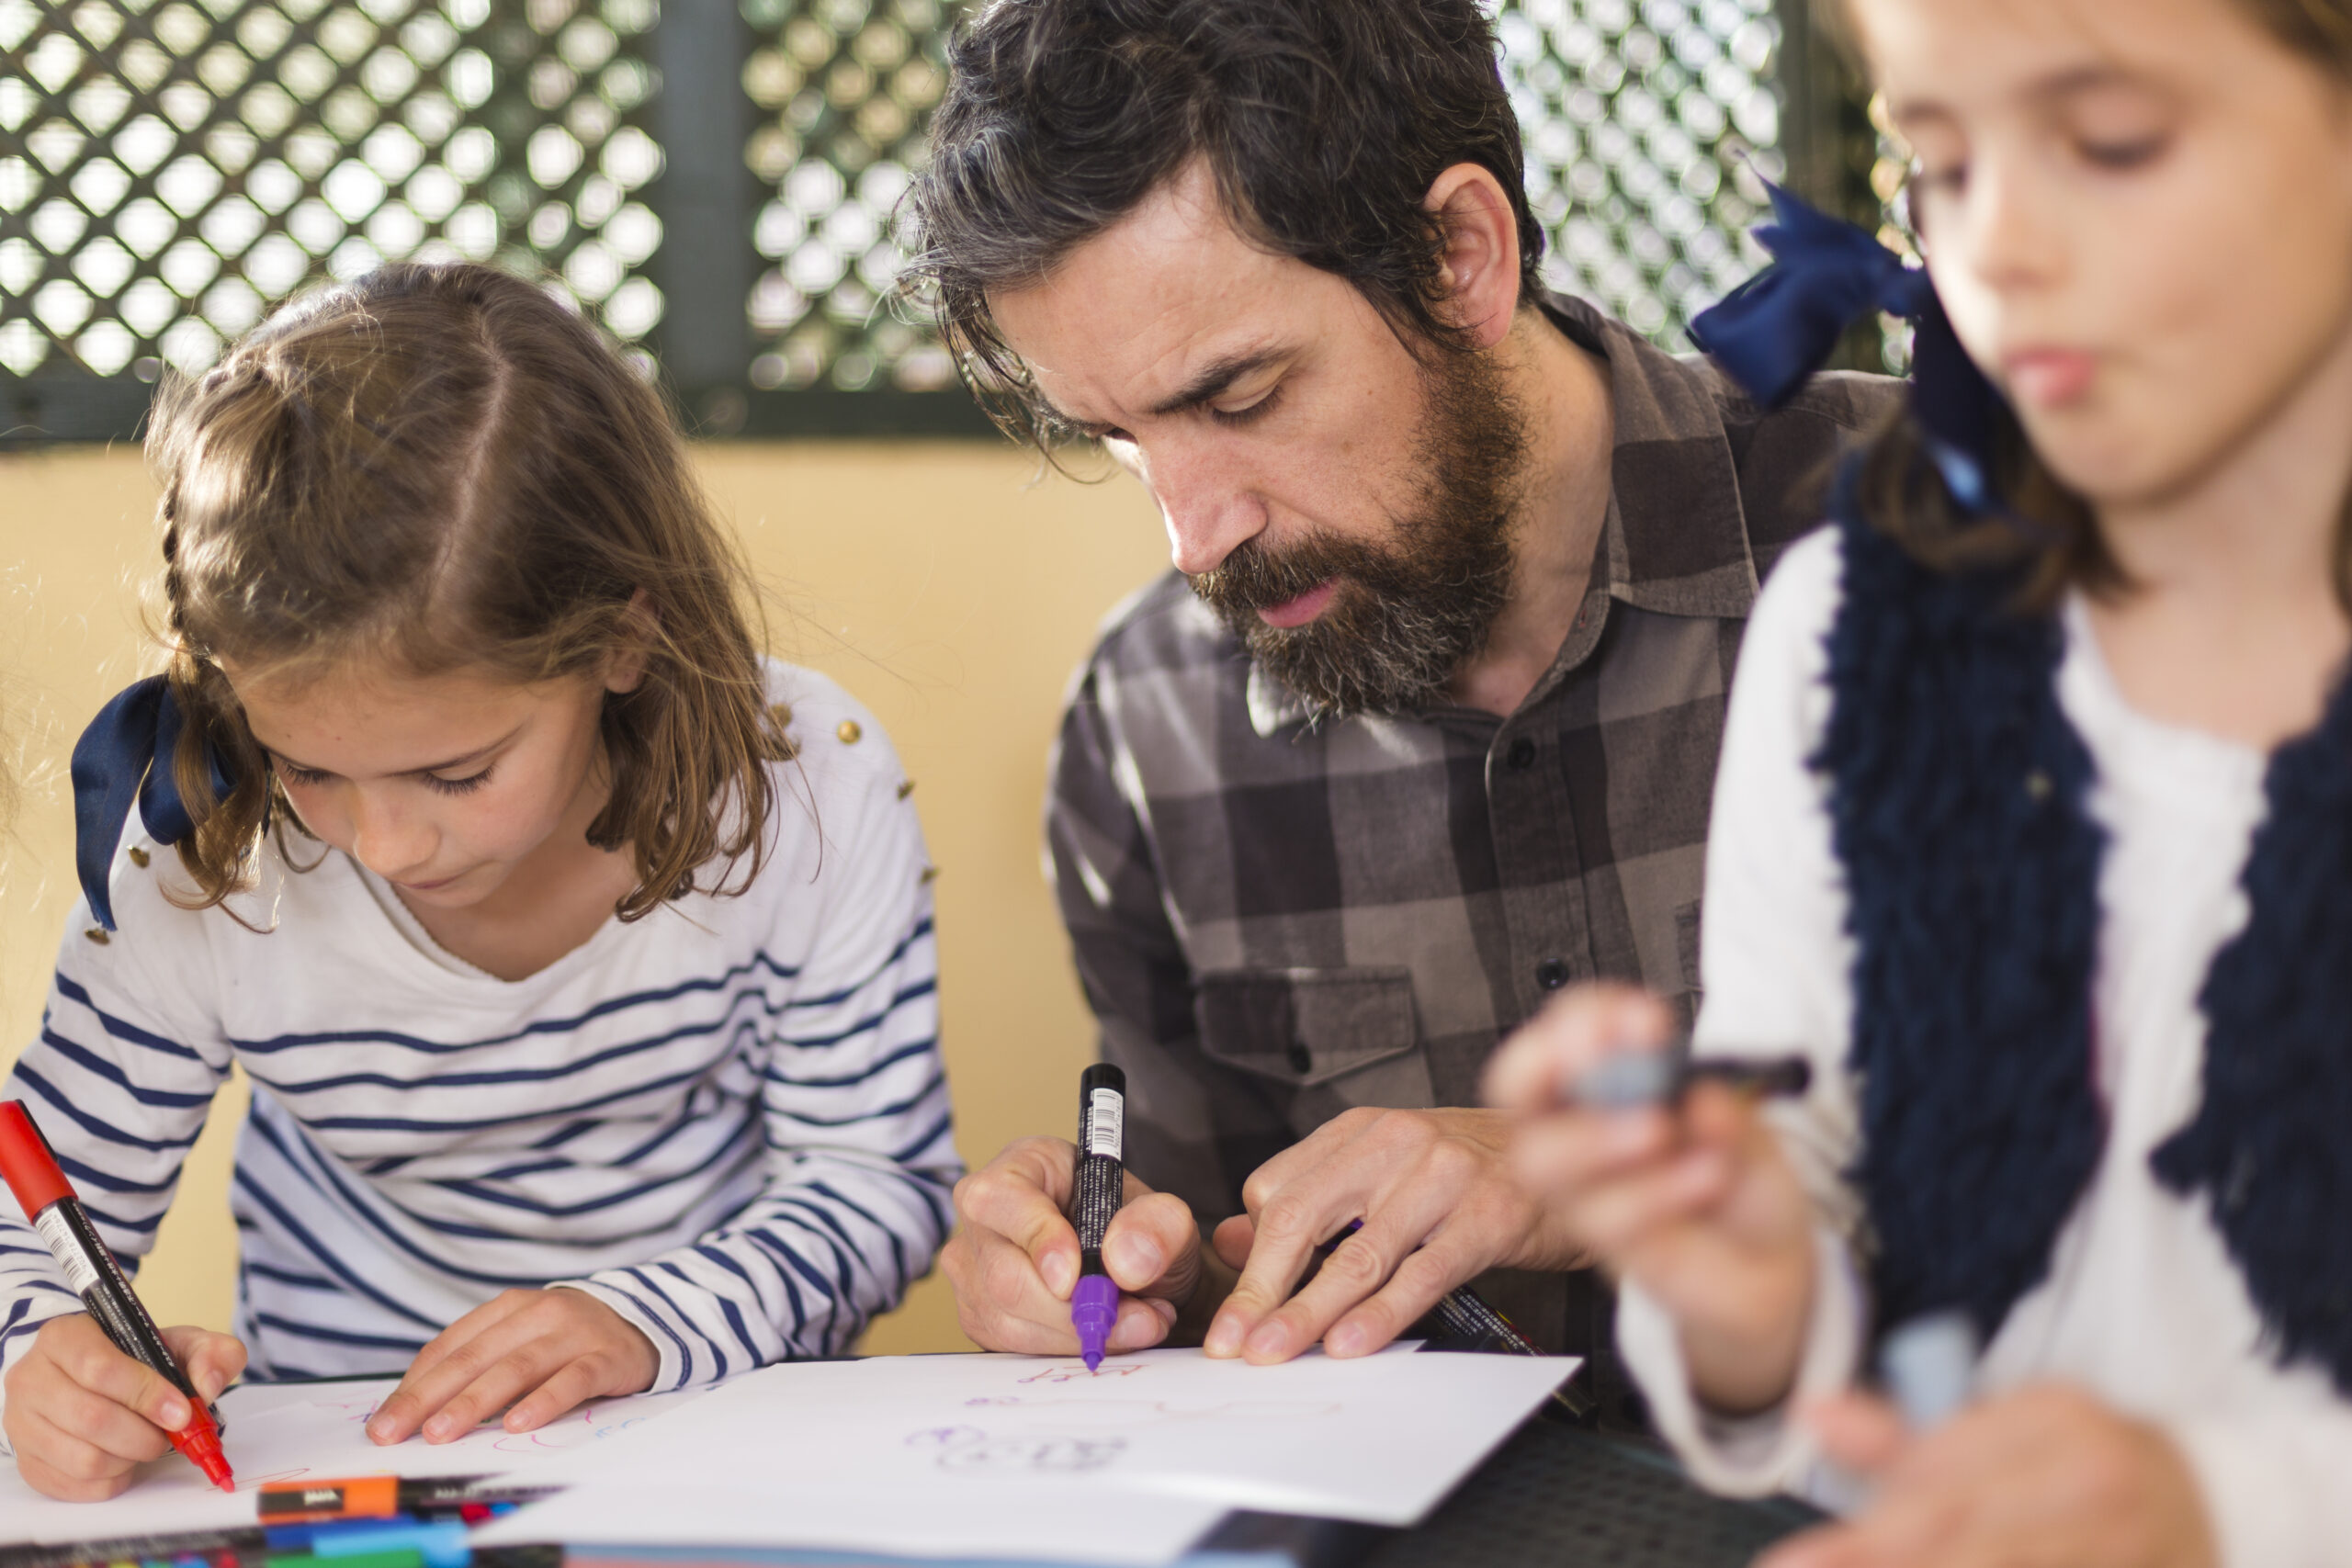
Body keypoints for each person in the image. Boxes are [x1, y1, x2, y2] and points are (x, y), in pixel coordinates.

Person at [903, 0, 1895, 1417]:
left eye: (1240, 394)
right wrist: (1127, 1274)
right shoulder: (1148, 728)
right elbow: (1214, 1255)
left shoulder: (1946, 542)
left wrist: (1607, 1171)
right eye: (1119, 440)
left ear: (1460, 259)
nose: (1195, 538)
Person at [1485, 0, 2352, 1562]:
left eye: (2110, 140)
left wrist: (2228, 1515)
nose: (1997, 245)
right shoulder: (1856, 648)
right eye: (1939, 162)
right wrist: (1749, 1280)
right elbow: (1812, 1202)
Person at [0, 264, 956, 1502]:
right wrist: (41, 1356)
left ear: (626, 637)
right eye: (307, 768)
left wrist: (651, 1322)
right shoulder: (198, 845)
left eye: (456, 775)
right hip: (345, 1459)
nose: (385, 846)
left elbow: (875, 1178)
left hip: (717, 1432)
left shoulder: (806, 786)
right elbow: (38, 1214)